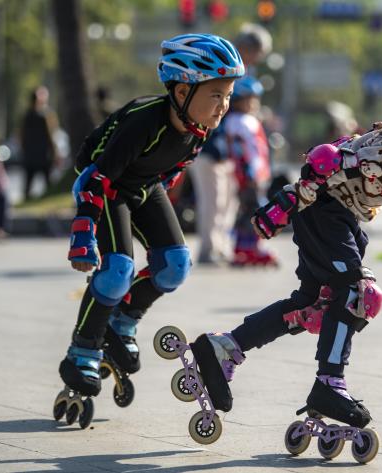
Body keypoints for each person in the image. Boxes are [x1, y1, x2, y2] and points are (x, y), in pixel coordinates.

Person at [182, 57, 382, 426]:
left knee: (311, 305)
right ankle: (329, 384)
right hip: (325, 209)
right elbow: (328, 163)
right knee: (359, 294)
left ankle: (223, 348)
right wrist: (283, 206)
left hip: (345, 217)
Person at [58, 33, 244, 397]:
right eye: (215, 95)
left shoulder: (198, 127)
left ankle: (121, 322)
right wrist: (83, 236)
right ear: (181, 92)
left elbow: (169, 169)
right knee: (116, 272)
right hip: (105, 188)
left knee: (175, 265)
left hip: (142, 188)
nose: (223, 105)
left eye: (228, 96)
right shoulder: (144, 122)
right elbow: (97, 179)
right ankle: (83, 349)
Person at [190, 23, 272, 265]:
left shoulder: (247, 74)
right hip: (209, 146)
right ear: (246, 47)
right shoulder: (222, 67)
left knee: (228, 201)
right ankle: (208, 249)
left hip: (229, 152)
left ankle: (222, 247)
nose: (256, 59)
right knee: (212, 201)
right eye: (255, 52)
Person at [225, 76, 276, 266]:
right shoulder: (237, 121)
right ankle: (252, 246)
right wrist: (248, 174)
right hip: (248, 176)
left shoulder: (247, 120)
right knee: (256, 210)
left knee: (250, 210)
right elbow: (239, 151)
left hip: (256, 174)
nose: (255, 104)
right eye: (250, 99)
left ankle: (243, 245)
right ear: (238, 101)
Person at [20, 86, 59, 200]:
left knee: (30, 182)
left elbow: (21, 135)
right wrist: (55, 152)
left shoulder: (27, 115)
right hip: (42, 154)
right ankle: (48, 198)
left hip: (32, 154)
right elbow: (51, 134)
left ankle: (30, 198)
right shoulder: (45, 115)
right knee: (45, 181)